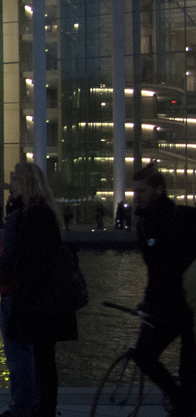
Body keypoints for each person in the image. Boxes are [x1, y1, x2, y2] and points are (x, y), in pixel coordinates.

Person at [0, 163, 77, 417]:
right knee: (40, 356)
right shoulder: (45, 211)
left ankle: (33, 408)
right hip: (41, 297)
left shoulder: (31, 214)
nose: (11, 185)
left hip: (31, 297)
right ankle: (40, 406)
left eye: (15, 180)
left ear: (27, 183)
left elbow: (25, 257)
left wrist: (6, 277)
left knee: (30, 356)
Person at [131, 164, 196, 417]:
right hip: (167, 306)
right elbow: (155, 273)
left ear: (158, 190)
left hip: (190, 306)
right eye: (135, 191)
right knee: (143, 355)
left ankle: (183, 400)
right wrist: (147, 303)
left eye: (142, 190)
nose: (137, 195)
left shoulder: (185, 218)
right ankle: (178, 397)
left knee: (189, 373)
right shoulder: (143, 225)